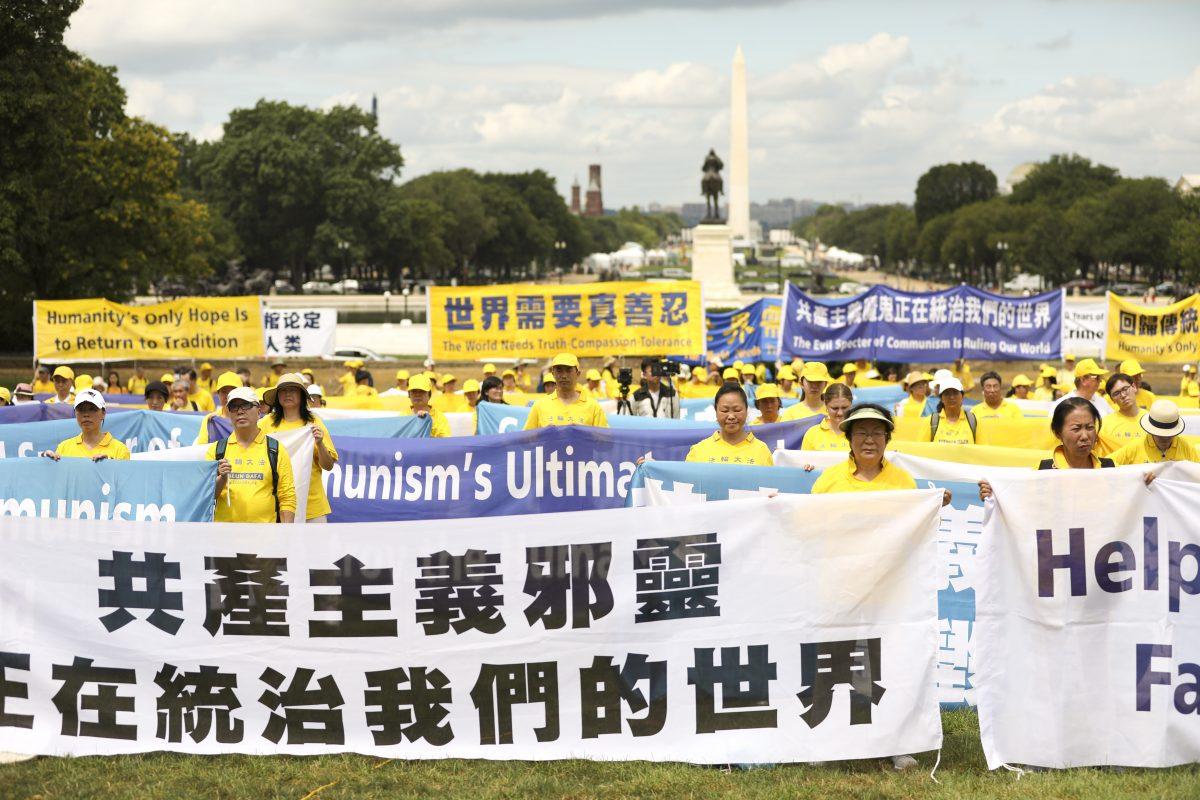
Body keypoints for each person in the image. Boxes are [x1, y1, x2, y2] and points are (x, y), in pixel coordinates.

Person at [208, 386, 296, 523]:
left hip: (266, 537)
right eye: (234, 407)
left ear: (259, 411)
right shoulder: (217, 450)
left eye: (246, 405)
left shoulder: (275, 449)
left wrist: (286, 535)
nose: (240, 411)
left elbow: (287, 497)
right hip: (224, 537)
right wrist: (222, 478)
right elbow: (207, 496)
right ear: (229, 412)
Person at [260, 373, 338, 522]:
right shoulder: (265, 423)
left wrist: (320, 443)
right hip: (276, 509)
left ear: (302, 395)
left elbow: (328, 466)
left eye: (293, 390)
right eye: (283, 390)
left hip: (312, 509)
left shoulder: (314, 422)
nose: (287, 394)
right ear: (277, 396)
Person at [685, 383, 773, 465]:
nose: (731, 416)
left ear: (747, 410)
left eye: (737, 410)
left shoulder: (761, 450)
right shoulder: (699, 451)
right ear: (716, 412)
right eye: (724, 410)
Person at [41, 389, 130, 461]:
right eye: (81, 410)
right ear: (75, 413)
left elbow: (123, 481)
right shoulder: (63, 447)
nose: (86, 414)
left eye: (92, 409)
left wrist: (111, 465)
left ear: (103, 413)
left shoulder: (120, 450)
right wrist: (48, 463)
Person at [525, 353, 608, 429]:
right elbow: (526, 439)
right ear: (553, 374)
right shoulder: (539, 406)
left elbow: (606, 440)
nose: (564, 376)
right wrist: (544, 434)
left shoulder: (593, 407)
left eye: (568, 370)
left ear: (578, 374)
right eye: (559, 370)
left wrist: (586, 432)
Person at [1109, 400, 1199, 465]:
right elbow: (1106, 463)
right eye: (1160, 435)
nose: (1165, 438)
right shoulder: (1135, 447)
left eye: (1169, 435)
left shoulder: (1185, 447)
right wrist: (1135, 476)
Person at [800, 383, 853, 451]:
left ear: (851, 405)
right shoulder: (812, 434)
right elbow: (804, 461)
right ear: (826, 405)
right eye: (835, 408)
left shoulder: (859, 432)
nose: (840, 413)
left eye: (844, 408)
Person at [194, 372, 244, 444]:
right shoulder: (210, 420)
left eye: (233, 391)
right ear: (218, 394)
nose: (228, 396)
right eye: (224, 392)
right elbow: (201, 447)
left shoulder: (251, 417)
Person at [1100, 373, 1146, 447]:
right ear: (1112, 399)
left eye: (1125, 389)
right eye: (1116, 393)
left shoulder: (1151, 419)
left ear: (1134, 387)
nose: (1123, 395)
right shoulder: (1104, 424)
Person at [930, 377, 976, 444]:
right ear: (941, 399)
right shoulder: (931, 422)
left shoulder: (973, 421)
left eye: (955, 393)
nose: (951, 397)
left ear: (962, 397)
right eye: (947, 394)